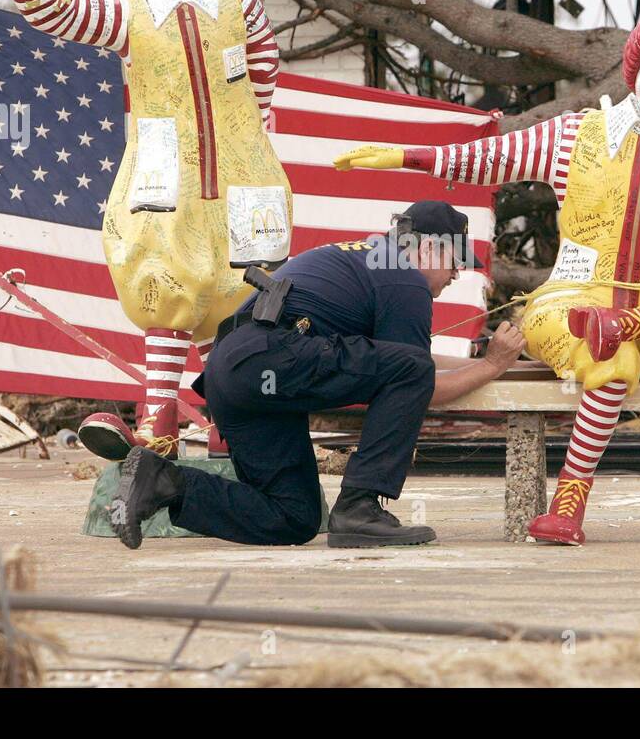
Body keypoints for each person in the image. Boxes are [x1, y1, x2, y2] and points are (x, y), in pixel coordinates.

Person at [334, 11, 640, 545]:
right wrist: (408, 156)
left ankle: (629, 321)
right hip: (572, 305)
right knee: (613, 359)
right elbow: (492, 158)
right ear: (634, 67)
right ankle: (569, 502)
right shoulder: (579, 133)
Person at [0, 0, 289, 461]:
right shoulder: (129, 5)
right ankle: (158, 426)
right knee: (166, 284)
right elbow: (57, 12)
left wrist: (251, 136)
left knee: (238, 297)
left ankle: (228, 427)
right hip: (164, 171)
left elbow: (263, 65)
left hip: (239, 168)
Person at [109, 201, 527, 550]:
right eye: (456, 262)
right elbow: (421, 381)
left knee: (293, 517)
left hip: (235, 372)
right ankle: (360, 507)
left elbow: (403, 367)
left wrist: (483, 359)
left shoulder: (367, 260)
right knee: (410, 368)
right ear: (431, 249)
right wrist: (492, 367)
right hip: (276, 357)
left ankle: (163, 480)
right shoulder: (405, 280)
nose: (456, 275)